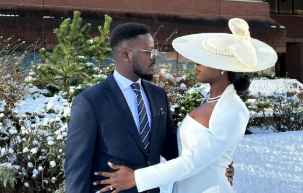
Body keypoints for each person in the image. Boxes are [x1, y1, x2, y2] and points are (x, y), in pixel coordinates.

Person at [93, 18, 278, 193]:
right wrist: (218, 162)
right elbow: (184, 151)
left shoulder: (233, 110)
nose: (196, 62)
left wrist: (137, 178)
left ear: (223, 66)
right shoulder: (208, 102)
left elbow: (194, 161)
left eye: (205, 59)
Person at [64, 23, 234, 193]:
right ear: (126, 55)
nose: (155, 57)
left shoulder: (158, 96)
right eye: (149, 52)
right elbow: (77, 169)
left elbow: (173, 149)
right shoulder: (90, 102)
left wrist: (215, 167)